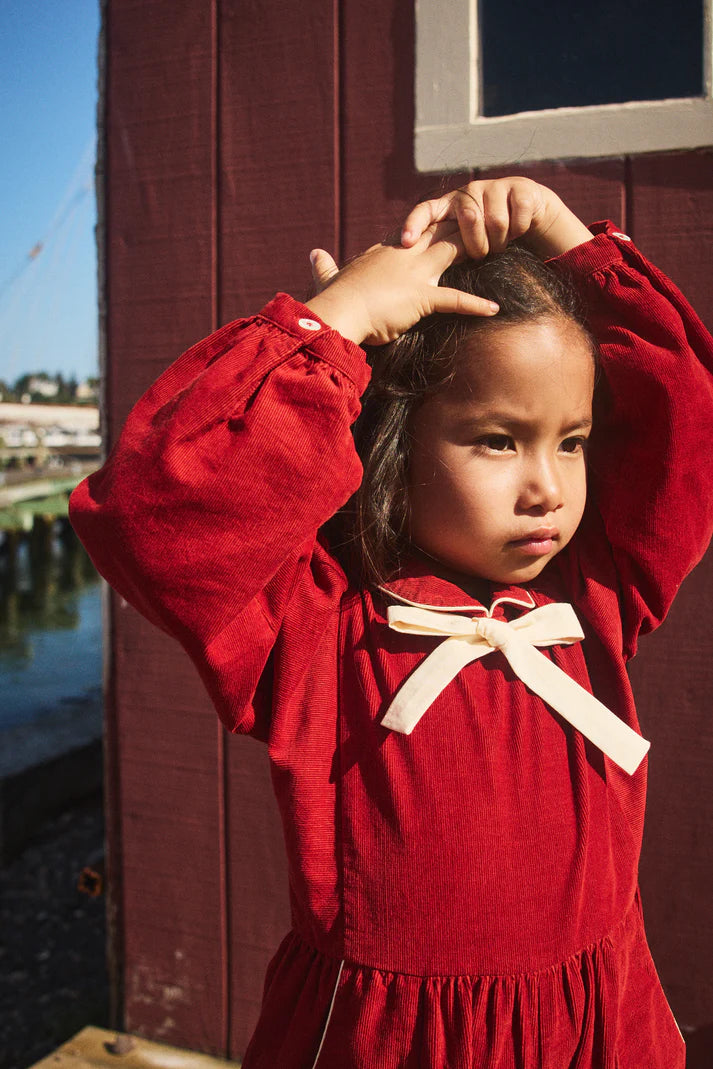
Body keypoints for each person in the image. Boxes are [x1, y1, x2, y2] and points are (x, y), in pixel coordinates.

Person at [69, 177, 713, 1068]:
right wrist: (330, 328)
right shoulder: (312, 625)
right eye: (497, 439)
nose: (549, 488)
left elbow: (690, 418)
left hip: (594, 1029)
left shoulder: (594, 592)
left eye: (570, 439)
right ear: (394, 444)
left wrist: (569, 240)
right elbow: (152, 515)